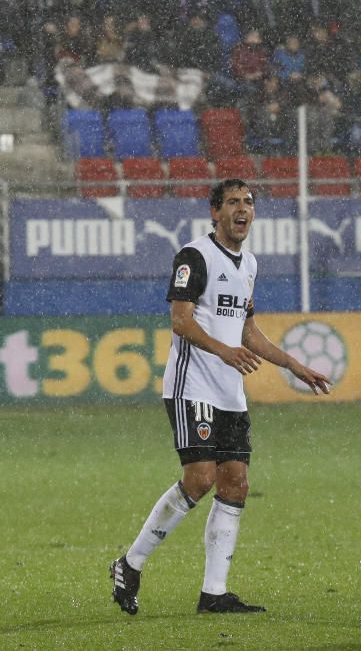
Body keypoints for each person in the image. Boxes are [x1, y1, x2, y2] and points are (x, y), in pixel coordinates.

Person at [110, 179, 330, 616]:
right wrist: (224, 351)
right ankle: (130, 564)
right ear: (215, 211)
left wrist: (292, 364)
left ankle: (214, 593)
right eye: (233, 202)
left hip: (231, 393)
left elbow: (247, 330)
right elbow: (180, 322)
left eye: (248, 202)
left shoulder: (248, 263)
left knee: (236, 483)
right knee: (200, 479)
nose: (242, 209)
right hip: (193, 387)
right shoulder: (195, 256)